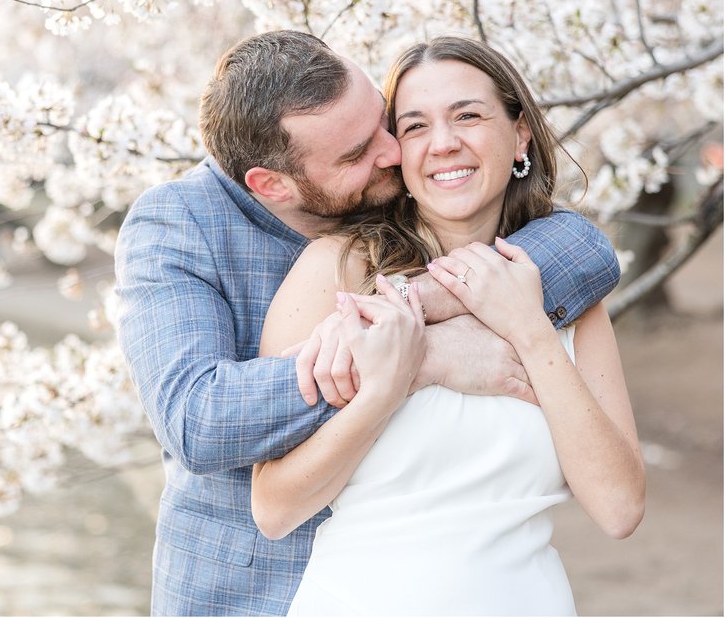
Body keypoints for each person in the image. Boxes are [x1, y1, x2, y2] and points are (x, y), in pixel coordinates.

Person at [114, 30, 622, 616]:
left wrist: (416, 303)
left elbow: (581, 248)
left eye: (384, 125)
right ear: (272, 185)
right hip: (247, 595)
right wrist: (415, 360)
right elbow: (198, 420)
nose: (390, 153)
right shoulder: (179, 226)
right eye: (356, 154)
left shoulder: (395, 193)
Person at [251, 36, 645, 616]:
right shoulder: (339, 270)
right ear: (396, 152)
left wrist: (531, 331)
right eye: (414, 127)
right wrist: (389, 385)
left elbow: (619, 508)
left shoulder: (569, 294)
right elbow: (274, 510)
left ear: (519, 134)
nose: (444, 144)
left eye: (468, 116)